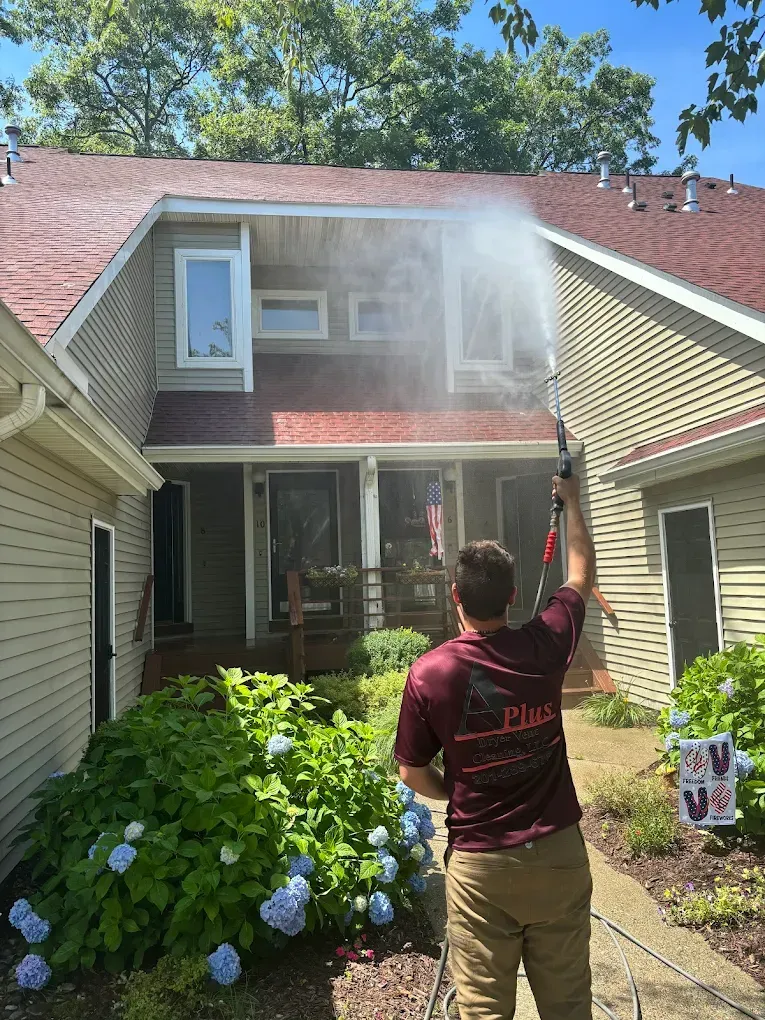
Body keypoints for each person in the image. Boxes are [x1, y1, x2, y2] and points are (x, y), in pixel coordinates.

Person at [394, 473, 596, 1020]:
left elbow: (411, 771)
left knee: (483, 1011)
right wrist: (572, 501)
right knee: (570, 1006)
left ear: (454, 595)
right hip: (559, 855)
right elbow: (580, 574)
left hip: (481, 866)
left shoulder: (429, 673)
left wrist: (454, 789)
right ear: (512, 595)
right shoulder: (547, 641)